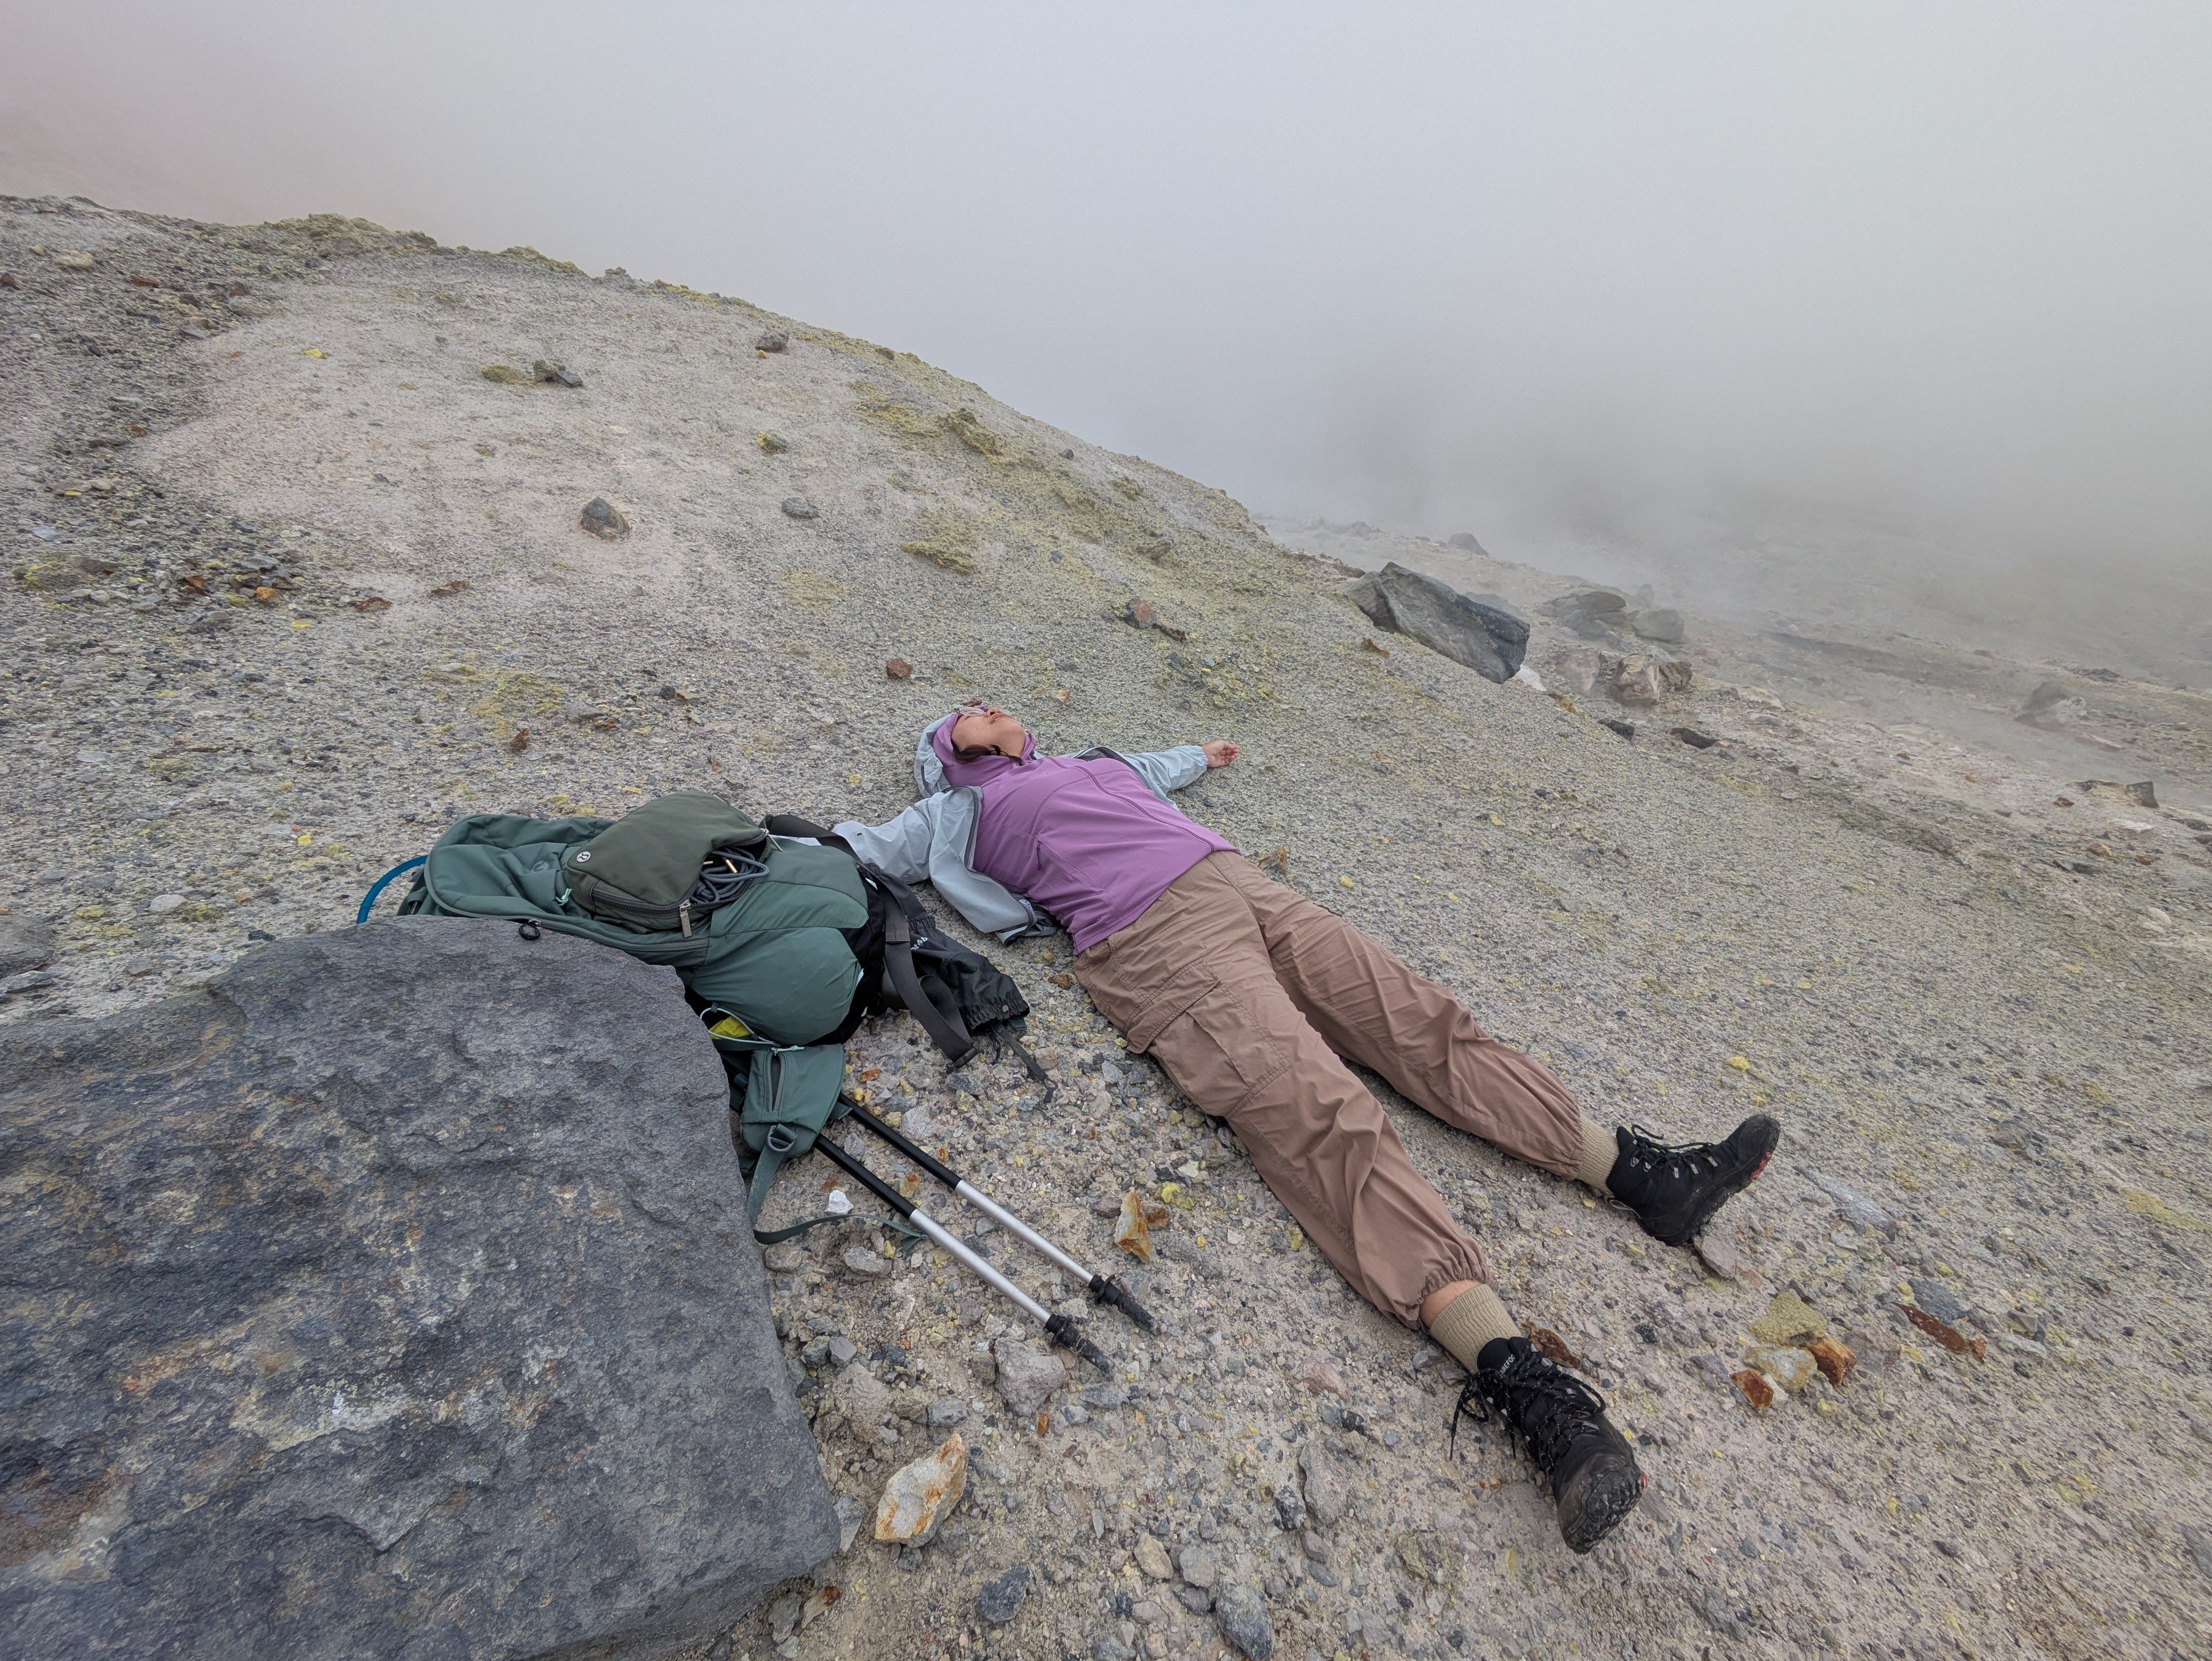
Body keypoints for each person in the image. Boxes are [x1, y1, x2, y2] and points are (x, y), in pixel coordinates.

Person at [834, 705, 1777, 1553]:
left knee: (1422, 1022)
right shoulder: (951, 812)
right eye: (965, 713)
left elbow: (1155, 770)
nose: (987, 706)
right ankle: (1525, 1385)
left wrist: (1196, 754)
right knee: (1324, 1119)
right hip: (1150, 939)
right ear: (945, 749)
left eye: (992, 703)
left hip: (1239, 884)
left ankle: (1644, 1178)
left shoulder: (1089, 758)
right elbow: (858, 847)